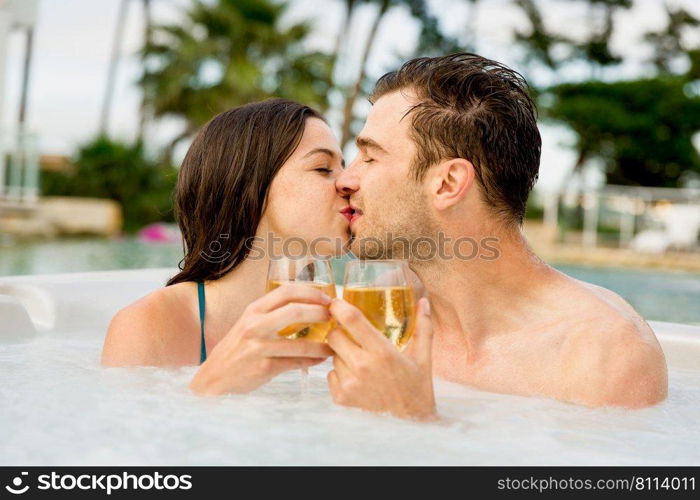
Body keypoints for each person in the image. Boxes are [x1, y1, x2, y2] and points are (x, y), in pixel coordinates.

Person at [325, 53, 668, 419]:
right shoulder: (387, 321)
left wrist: (417, 421)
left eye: (370, 157)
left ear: (448, 183)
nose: (345, 179)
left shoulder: (601, 355)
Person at [101, 99, 349, 396]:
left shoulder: (352, 314)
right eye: (323, 168)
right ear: (250, 184)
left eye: (343, 166)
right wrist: (211, 385)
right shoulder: (148, 326)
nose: (348, 181)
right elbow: (127, 439)